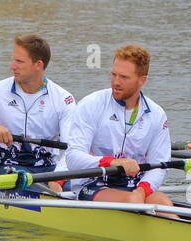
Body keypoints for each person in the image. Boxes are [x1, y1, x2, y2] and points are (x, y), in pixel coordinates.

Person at [64, 45, 176, 211]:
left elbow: (159, 166)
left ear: (142, 80)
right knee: (132, 201)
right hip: (93, 184)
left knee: (165, 204)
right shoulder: (92, 104)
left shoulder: (156, 115)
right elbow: (73, 158)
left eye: (124, 77)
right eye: (114, 74)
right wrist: (112, 162)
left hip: (134, 185)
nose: (116, 82)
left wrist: (142, 189)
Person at [0, 34, 74, 177]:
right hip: (8, 168)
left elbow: (72, 149)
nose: (12, 66)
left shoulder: (64, 99)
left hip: (49, 170)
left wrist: (58, 178)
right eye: (13, 60)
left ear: (38, 65)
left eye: (19, 61)